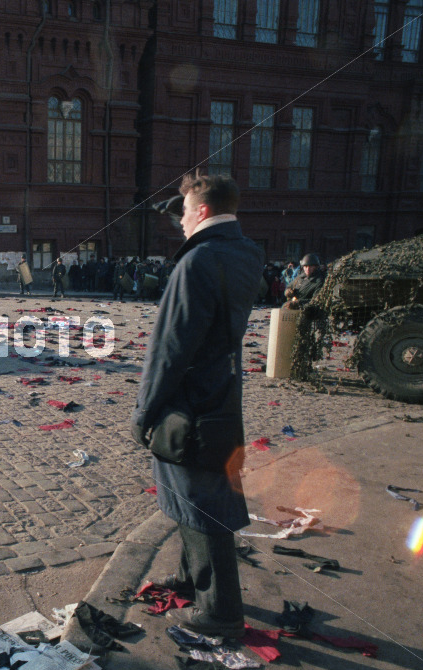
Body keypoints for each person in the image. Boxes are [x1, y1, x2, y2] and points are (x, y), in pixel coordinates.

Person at [131, 173, 264, 638]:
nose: (181, 222)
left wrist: (143, 412)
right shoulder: (246, 251)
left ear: (202, 211)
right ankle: (191, 580)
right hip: (223, 396)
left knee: (203, 506)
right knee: (196, 497)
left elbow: (168, 350)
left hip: (190, 406)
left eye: (185, 211)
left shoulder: (197, 262)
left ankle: (220, 613)